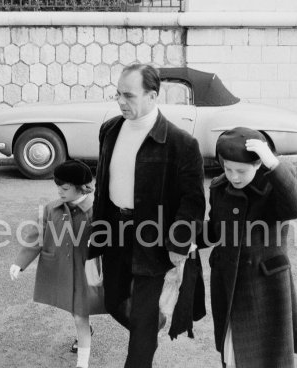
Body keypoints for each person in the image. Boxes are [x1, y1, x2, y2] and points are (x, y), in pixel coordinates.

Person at [89, 63, 206, 368]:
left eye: (128, 95)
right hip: (114, 231)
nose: (120, 101)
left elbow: (193, 202)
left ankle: (144, 335)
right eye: (117, 93)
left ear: (152, 95)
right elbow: (103, 184)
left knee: (141, 323)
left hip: (154, 243)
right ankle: (152, 324)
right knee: (113, 302)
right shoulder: (110, 129)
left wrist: (178, 244)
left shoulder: (181, 143)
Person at [197, 127, 297, 368]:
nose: (234, 176)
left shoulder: (273, 186)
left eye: (241, 170)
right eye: (228, 169)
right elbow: (216, 230)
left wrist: (274, 165)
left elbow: (296, 206)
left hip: (265, 285)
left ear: (258, 165)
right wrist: (183, 236)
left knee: (267, 358)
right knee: (233, 353)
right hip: (228, 281)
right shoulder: (219, 187)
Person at [10, 160, 95, 368]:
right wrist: (20, 263)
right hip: (62, 272)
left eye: (65, 188)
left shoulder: (97, 210)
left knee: (79, 317)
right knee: (77, 314)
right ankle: (86, 332)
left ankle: (82, 364)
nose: (59, 191)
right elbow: (36, 237)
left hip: (87, 274)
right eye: (57, 186)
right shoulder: (51, 209)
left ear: (81, 187)